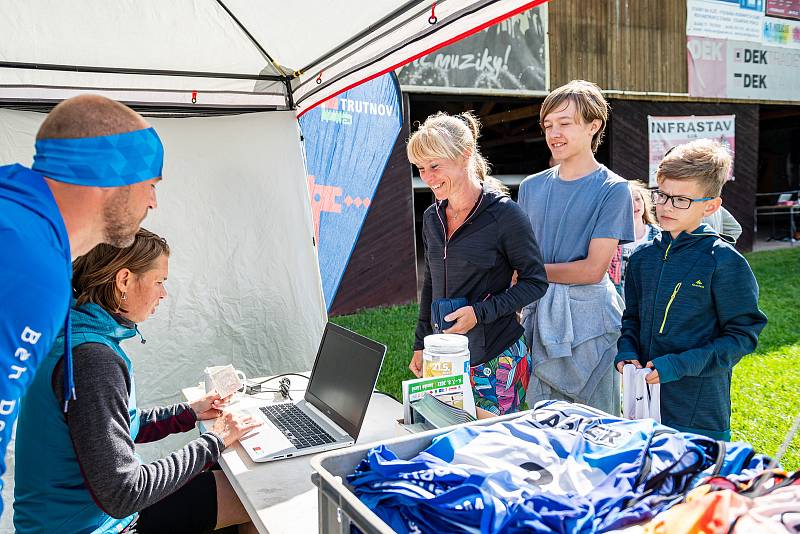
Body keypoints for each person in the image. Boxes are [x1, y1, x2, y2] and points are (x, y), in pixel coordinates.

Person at [14, 229, 261, 533]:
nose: (163, 294)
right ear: (124, 280)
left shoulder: (69, 334)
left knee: (233, 487)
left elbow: (116, 427)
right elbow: (124, 493)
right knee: (253, 496)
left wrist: (188, 412)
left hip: (74, 518)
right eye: (159, 282)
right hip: (100, 525)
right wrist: (215, 440)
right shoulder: (91, 359)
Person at [0, 94, 162, 511]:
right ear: (111, 176)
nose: (152, 202)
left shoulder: (19, 217)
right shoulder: (33, 265)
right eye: (150, 184)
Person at [615, 139, 767, 440]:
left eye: (680, 200)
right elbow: (631, 318)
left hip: (699, 412)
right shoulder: (643, 257)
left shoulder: (723, 261)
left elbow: (742, 337)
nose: (665, 207)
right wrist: (627, 350)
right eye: (662, 195)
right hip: (643, 407)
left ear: (710, 206)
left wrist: (678, 365)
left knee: (697, 487)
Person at [407, 111, 548, 416]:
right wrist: (422, 343)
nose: (427, 177)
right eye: (420, 168)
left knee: (494, 451)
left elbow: (535, 282)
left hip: (498, 358)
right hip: (444, 357)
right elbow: (430, 283)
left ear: (465, 155)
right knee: (447, 443)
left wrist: (479, 314)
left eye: (435, 166)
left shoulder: (505, 216)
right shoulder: (432, 217)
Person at [517, 80, 635, 415]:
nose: (554, 132)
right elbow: (520, 257)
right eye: (548, 125)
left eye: (565, 123)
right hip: (538, 315)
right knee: (539, 425)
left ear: (593, 125)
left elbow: (591, 269)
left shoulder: (614, 189)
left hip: (590, 325)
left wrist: (528, 274)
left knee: (596, 428)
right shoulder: (530, 187)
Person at [608, 181, 661, 295]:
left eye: (637, 199)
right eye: (629, 201)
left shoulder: (660, 236)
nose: (635, 205)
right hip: (619, 304)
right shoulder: (611, 238)